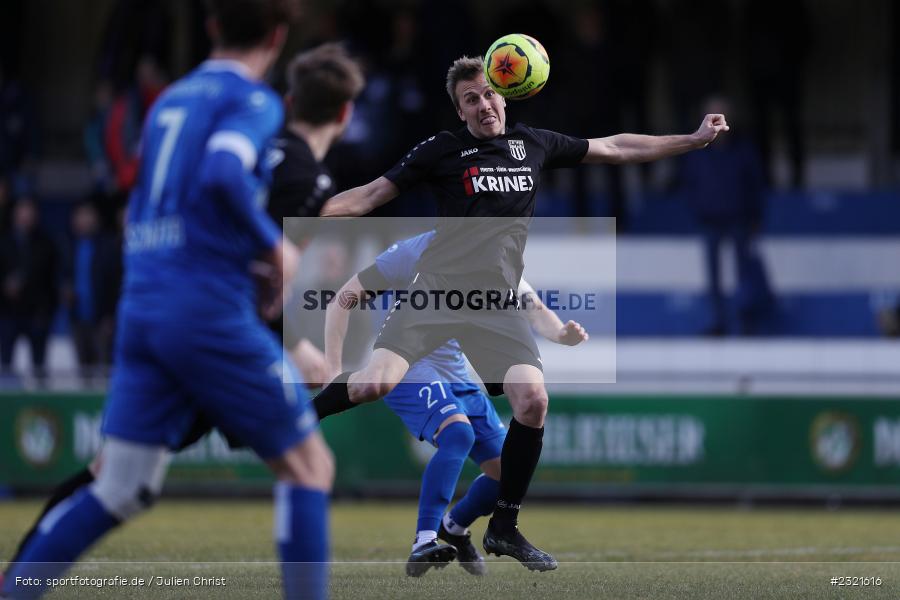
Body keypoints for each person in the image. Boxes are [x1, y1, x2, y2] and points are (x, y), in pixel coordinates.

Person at [312, 55, 728, 569]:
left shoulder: (533, 144)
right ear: (460, 111)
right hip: (437, 295)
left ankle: (503, 528)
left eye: (488, 94)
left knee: (532, 400)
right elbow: (371, 195)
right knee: (371, 385)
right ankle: (290, 416)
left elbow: (617, 147)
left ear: (504, 93)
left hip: (496, 302)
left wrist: (691, 140)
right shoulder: (443, 150)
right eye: (471, 99)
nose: (483, 104)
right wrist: (306, 211)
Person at [0, 2, 338, 600]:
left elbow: (150, 203)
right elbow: (223, 173)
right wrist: (275, 251)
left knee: (121, 486)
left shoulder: (169, 102)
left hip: (145, 304)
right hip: (203, 309)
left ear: (212, 27)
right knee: (309, 468)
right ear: (279, 35)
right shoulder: (254, 103)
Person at [323, 230, 588, 576]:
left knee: (506, 473)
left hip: (458, 373)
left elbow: (533, 308)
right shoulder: (414, 250)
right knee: (457, 434)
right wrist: (333, 367)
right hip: (409, 365)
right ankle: (424, 539)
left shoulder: (496, 253)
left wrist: (560, 334)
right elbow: (345, 296)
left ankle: (455, 526)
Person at [0, 196, 60, 381]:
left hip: (37, 314)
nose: (26, 215)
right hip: (8, 312)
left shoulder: (46, 243)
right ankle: (6, 403)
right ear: (15, 213)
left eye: (30, 210)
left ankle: (41, 402)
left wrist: (48, 311)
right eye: (22, 210)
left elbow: (52, 280)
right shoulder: (3, 241)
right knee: (6, 364)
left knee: (39, 366)